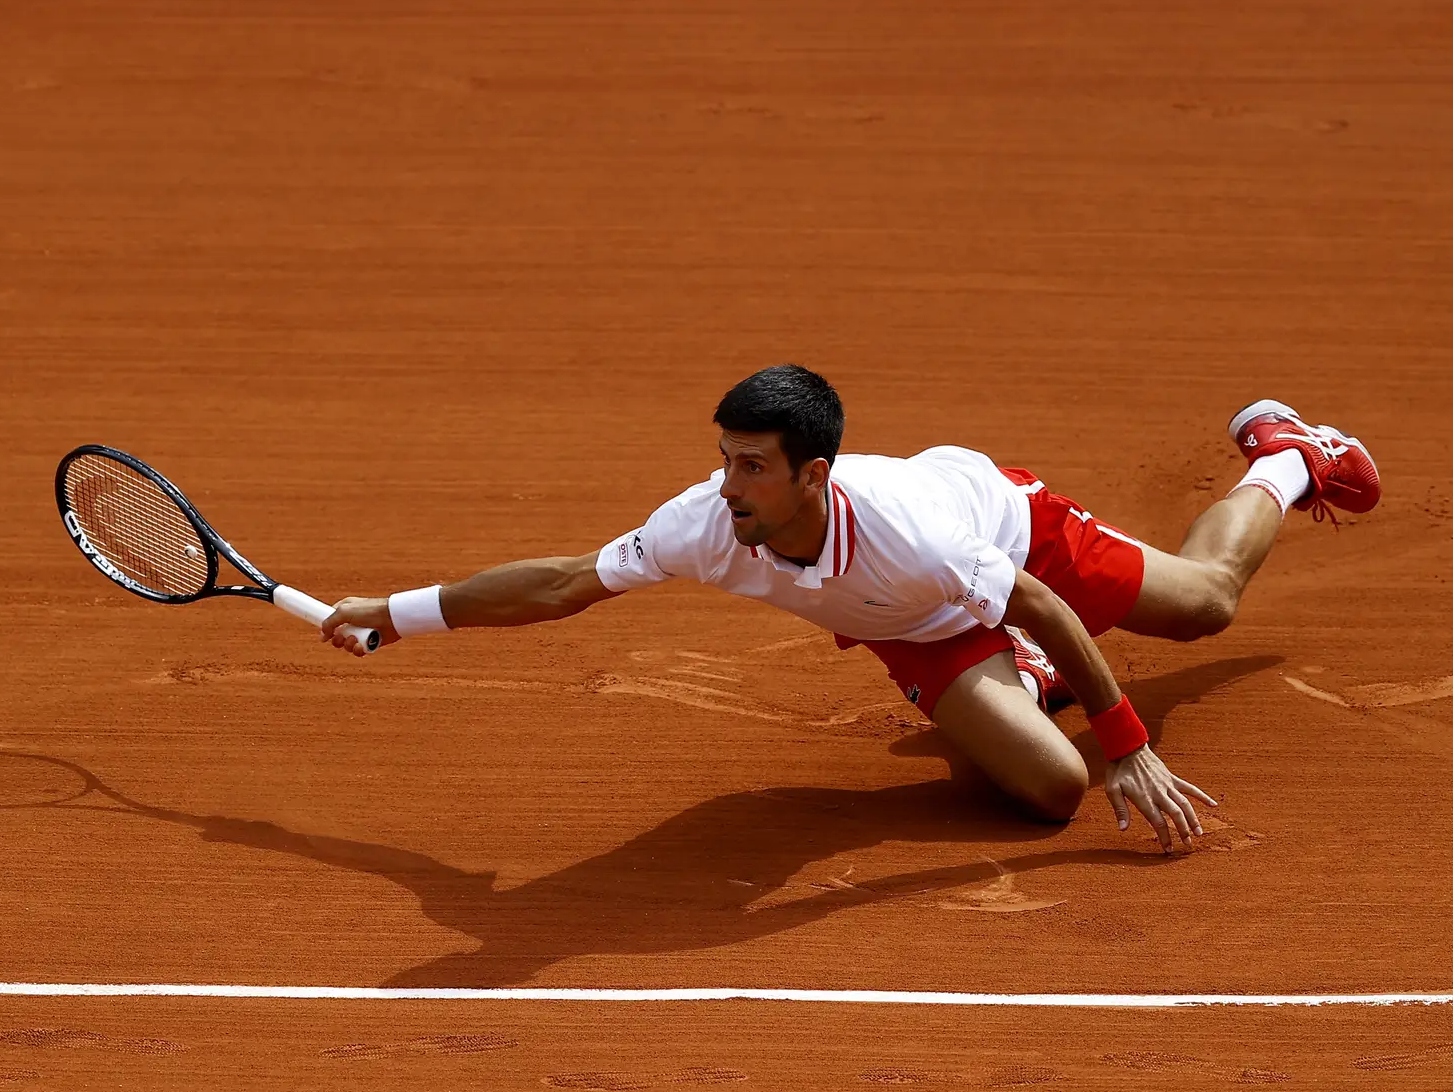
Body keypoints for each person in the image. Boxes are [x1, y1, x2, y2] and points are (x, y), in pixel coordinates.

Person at [321, 365, 1379, 853]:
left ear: (814, 474)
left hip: (1011, 540)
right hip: (910, 623)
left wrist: (1131, 740)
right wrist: (396, 612)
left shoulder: (913, 525)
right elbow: (562, 581)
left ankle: (1287, 458)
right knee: (1049, 792)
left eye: (751, 467)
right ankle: (1019, 691)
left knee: (1204, 606)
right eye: (723, 459)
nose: (726, 485)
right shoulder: (702, 520)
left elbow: (1044, 600)